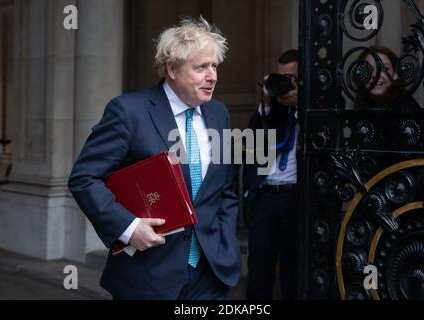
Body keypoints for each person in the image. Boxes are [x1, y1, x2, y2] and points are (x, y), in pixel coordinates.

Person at [68, 17, 241, 300]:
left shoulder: (218, 113)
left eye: (214, 66)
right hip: (148, 276)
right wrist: (128, 227)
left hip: (211, 273)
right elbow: (84, 179)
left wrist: (226, 242)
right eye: (201, 68)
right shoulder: (128, 111)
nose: (213, 76)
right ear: (171, 69)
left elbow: (224, 190)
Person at [243, 49, 299, 300]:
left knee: (294, 270)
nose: (288, 83)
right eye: (283, 77)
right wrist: (266, 103)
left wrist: (300, 105)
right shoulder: (272, 109)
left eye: (293, 78)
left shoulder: (315, 109)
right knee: (259, 270)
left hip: (297, 199)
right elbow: (251, 141)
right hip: (266, 196)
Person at [354, 45, 420, 110]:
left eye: (384, 68)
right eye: (368, 68)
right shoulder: (361, 104)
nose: (375, 75)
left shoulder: (407, 107)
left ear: (395, 74)